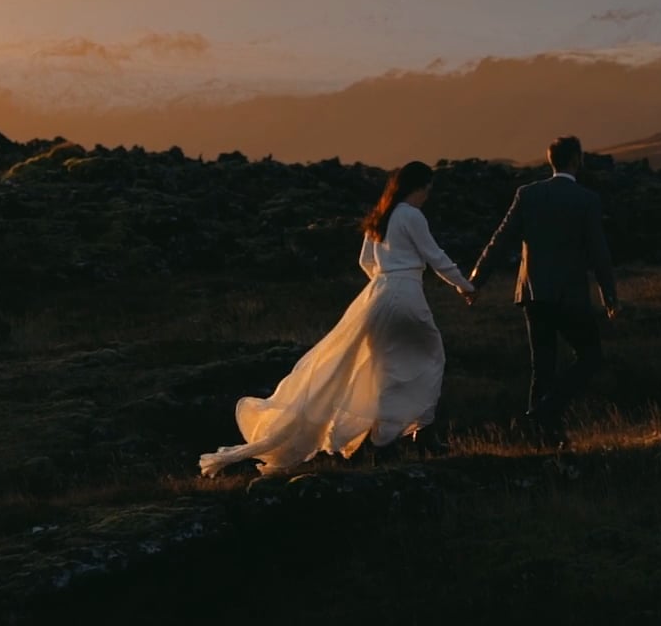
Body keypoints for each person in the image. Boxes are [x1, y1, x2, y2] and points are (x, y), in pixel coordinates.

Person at [199, 161, 476, 476]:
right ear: (420, 186)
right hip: (406, 295)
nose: (429, 194)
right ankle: (414, 435)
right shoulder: (411, 215)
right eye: (428, 188)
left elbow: (365, 260)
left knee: (384, 368)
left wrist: (382, 280)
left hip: (377, 297)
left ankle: (389, 441)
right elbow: (434, 255)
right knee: (431, 358)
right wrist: (464, 286)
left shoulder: (381, 215)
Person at [469, 135, 619, 448]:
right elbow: (599, 252)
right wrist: (609, 297)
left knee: (543, 365)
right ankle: (546, 414)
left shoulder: (528, 194)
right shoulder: (586, 200)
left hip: (533, 293)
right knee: (590, 356)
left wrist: (476, 280)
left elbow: (500, 241)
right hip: (570, 295)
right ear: (576, 159)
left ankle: (540, 435)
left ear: (550, 160)